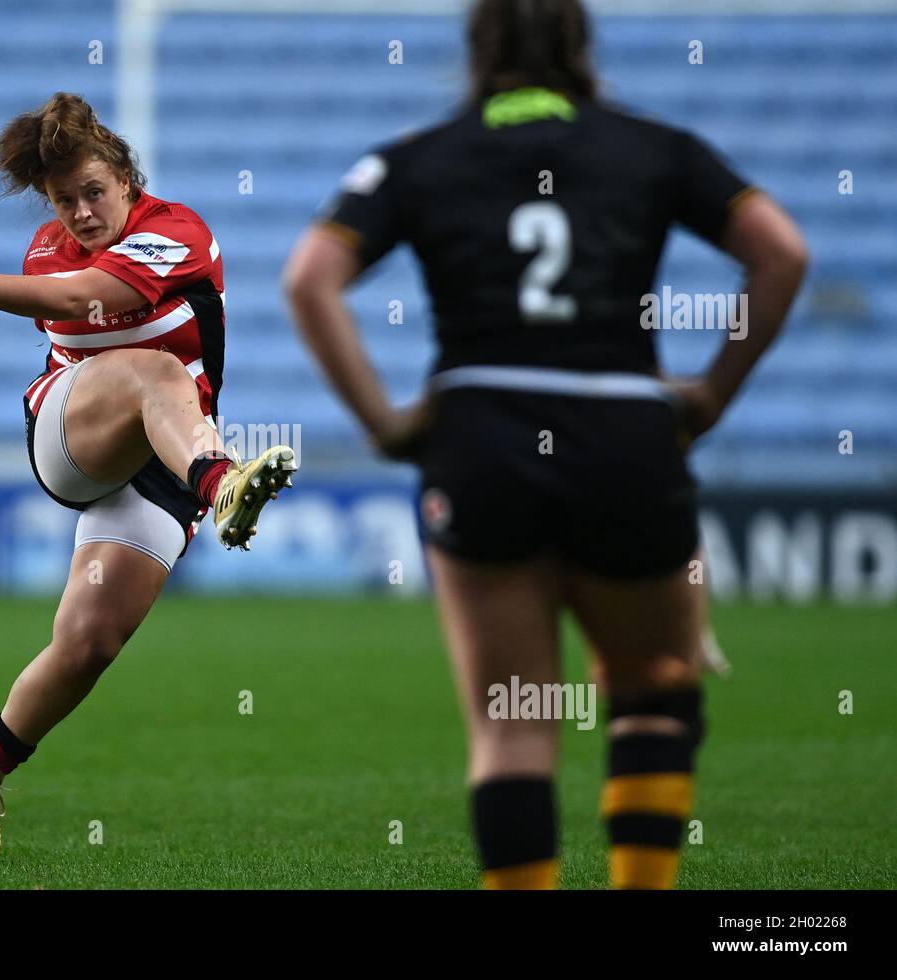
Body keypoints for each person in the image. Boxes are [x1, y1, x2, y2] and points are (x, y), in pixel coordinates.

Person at [283, 0, 807, 889]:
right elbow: (781, 252)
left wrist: (384, 420)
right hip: (623, 436)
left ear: (477, 46)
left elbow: (310, 278)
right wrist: (713, 390)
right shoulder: (655, 146)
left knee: (513, 725)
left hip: (480, 438)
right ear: (581, 43)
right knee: (653, 684)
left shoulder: (418, 156)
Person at [0, 92, 297, 862]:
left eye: (93, 192)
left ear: (128, 180)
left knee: (88, 643)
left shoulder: (179, 232)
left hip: (159, 463)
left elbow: (86, 297)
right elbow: (72, 298)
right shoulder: (46, 250)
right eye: (63, 198)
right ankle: (226, 485)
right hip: (72, 436)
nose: (79, 211)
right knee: (149, 370)